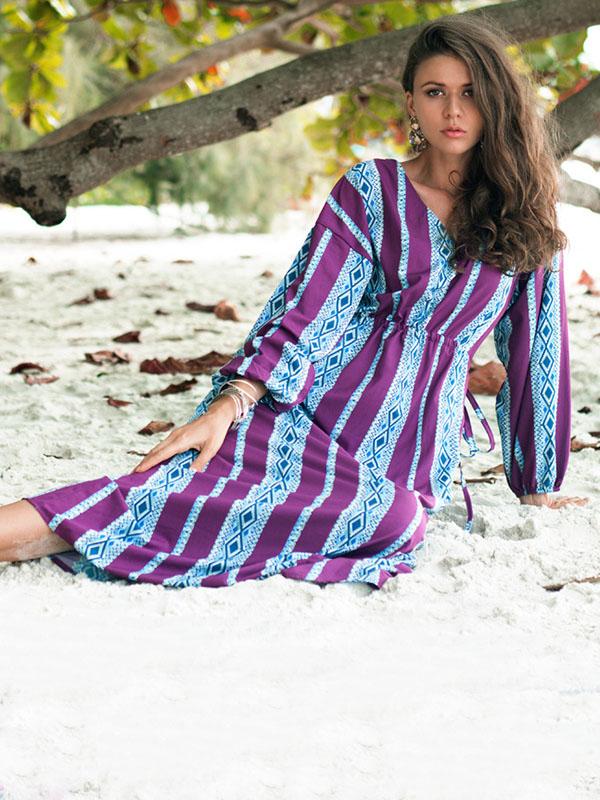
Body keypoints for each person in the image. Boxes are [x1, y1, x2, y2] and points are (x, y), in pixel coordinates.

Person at [0, 14, 587, 587]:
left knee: (397, 518)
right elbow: (307, 312)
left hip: (409, 461)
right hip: (304, 420)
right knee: (146, 500)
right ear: (411, 103)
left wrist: (538, 485)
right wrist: (229, 403)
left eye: (471, 92)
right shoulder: (373, 190)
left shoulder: (526, 216)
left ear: (497, 100)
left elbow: (537, 357)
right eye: (436, 92)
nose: (453, 111)